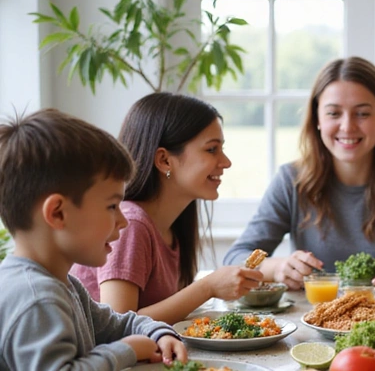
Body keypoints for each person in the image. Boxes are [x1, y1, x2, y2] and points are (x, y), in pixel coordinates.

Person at [0, 110, 187, 371]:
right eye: (112, 205)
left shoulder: (61, 283)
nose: (123, 221)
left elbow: (119, 323)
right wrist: (127, 350)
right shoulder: (34, 297)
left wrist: (159, 334)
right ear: (57, 213)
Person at [224, 56, 375, 302]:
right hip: (313, 324)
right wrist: (277, 268)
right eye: (333, 113)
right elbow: (235, 258)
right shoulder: (291, 180)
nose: (347, 126)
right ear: (317, 118)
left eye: (362, 114)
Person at [71, 93, 263, 324]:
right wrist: (208, 287)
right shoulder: (131, 225)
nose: (226, 162)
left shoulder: (172, 227)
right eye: (212, 149)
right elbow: (118, 324)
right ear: (164, 160)